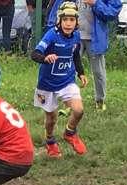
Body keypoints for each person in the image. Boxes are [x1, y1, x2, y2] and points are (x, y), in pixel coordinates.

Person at [31, 2, 88, 158]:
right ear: (59, 20)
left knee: (78, 110)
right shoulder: (51, 34)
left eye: (72, 20)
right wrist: (45, 58)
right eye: (65, 20)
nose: (68, 23)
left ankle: (70, 133)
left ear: (77, 22)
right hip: (47, 84)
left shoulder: (76, 35)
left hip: (67, 81)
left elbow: (75, 54)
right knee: (51, 118)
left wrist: (81, 73)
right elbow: (34, 54)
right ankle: (50, 141)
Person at [46, 0, 122, 111]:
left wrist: (95, 4)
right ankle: (68, 102)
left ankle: (100, 101)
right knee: (68, 68)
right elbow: (57, 12)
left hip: (95, 38)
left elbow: (113, 11)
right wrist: (52, 29)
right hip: (73, 36)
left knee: (98, 71)